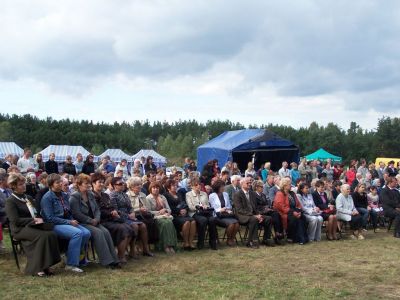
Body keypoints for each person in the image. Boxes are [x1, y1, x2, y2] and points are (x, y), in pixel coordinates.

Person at [5, 173, 61, 276]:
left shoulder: (28, 197)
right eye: (20, 184)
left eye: (24, 183)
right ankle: (37, 268)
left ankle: (46, 265)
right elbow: (15, 220)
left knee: (51, 234)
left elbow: (36, 212)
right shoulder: (10, 201)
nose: (24, 186)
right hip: (19, 229)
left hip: (33, 226)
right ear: (13, 186)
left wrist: (40, 218)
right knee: (43, 236)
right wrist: (33, 220)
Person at [41, 174, 91, 273]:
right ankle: (71, 264)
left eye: (60, 181)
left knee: (87, 233)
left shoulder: (64, 195)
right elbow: (50, 218)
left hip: (66, 222)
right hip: (54, 224)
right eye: (57, 182)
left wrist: (72, 220)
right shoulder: (47, 198)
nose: (60, 183)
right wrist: (69, 222)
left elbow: (68, 212)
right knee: (77, 233)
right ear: (51, 185)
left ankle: (71, 256)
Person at [69, 174, 120, 268]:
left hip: (94, 221)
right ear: (79, 184)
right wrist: (90, 220)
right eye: (86, 183)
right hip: (82, 223)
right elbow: (76, 214)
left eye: (89, 183)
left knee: (106, 232)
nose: (88, 185)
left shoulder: (90, 194)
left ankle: (115, 259)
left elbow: (97, 209)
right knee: (99, 233)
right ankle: (107, 262)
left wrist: (96, 219)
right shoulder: (74, 197)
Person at [91, 173, 136, 263]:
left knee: (131, 228)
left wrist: (115, 212)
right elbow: (97, 210)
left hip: (112, 219)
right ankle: (120, 256)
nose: (101, 184)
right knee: (124, 229)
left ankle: (120, 254)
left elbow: (111, 207)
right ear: (93, 183)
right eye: (99, 182)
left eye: (103, 182)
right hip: (101, 221)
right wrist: (111, 213)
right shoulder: (91, 196)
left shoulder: (105, 195)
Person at [110, 177, 153, 258]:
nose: (122, 185)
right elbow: (115, 209)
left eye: (123, 183)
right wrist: (128, 215)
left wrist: (132, 213)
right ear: (114, 186)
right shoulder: (112, 195)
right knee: (135, 226)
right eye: (120, 184)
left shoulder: (124, 194)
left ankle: (145, 249)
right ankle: (132, 250)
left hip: (128, 216)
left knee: (143, 226)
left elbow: (130, 207)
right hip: (119, 217)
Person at [234, 177, 275, 248]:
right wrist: (254, 216)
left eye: (250, 182)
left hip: (253, 215)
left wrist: (259, 215)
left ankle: (266, 239)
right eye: (247, 183)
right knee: (254, 219)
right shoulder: (238, 194)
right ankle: (252, 241)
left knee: (269, 218)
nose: (249, 184)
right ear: (242, 184)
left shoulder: (252, 193)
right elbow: (239, 210)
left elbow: (255, 207)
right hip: (243, 215)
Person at [144, 182, 177, 254]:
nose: (156, 189)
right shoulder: (148, 198)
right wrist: (159, 212)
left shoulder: (163, 197)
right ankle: (165, 246)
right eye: (154, 188)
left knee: (169, 222)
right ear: (150, 189)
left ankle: (171, 245)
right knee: (166, 223)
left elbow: (169, 209)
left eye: (157, 188)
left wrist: (165, 210)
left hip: (165, 216)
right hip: (155, 218)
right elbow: (148, 212)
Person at [186, 177, 218, 250]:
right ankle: (200, 243)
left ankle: (213, 242)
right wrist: (199, 207)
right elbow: (190, 207)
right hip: (195, 213)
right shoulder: (188, 194)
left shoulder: (204, 194)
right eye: (196, 185)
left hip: (205, 212)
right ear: (192, 186)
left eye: (199, 184)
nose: (198, 186)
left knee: (212, 220)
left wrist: (206, 206)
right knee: (203, 220)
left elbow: (208, 204)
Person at [164, 179, 197, 250]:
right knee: (187, 222)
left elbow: (185, 203)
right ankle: (185, 243)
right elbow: (169, 207)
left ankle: (190, 242)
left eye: (176, 185)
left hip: (184, 214)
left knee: (193, 221)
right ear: (168, 187)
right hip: (174, 215)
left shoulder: (179, 194)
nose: (175, 187)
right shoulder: (166, 195)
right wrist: (179, 211)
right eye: (173, 186)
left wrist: (185, 209)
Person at [274, 178, 308, 244]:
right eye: (289, 184)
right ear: (285, 185)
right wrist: (293, 212)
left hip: (294, 211)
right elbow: (281, 206)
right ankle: (293, 237)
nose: (291, 186)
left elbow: (298, 204)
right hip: (284, 213)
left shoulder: (292, 193)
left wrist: (299, 211)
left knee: (303, 217)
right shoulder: (280, 193)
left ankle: (302, 238)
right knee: (295, 219)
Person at [126, 176, 158, 245]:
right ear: (131, 186)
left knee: (152, 221)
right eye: (137, 185)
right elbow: (129, 209)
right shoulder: (127, 195)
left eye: (140, 184)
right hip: (134, 216)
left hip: (144, 215)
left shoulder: (143, 194)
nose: (140, 186)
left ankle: (147, 245)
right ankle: (139, 245)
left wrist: (145, 209)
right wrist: (139, 210)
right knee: (144, 224)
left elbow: (147, 207)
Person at [209, 179, 239, 247]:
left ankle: (232, 239)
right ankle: (228, 240)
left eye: (223, 186)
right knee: (231, 224)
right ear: (217, 187)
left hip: (226, 214)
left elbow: (228, 205)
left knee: (236, 224)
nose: (223, 188)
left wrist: (227, 209)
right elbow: (212, 207)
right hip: (217, 215)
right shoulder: (212, 195)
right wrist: (220, 209)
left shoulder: (226, 194)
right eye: (221, 186)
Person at [252, 180, 284, 244]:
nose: (263, 188)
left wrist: (269, 208)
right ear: (256, 187)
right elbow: (254, 207)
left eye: (262, 187)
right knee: (275, 214)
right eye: (261, 187)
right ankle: (278, 234)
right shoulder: (253, 195)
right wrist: (265, 209)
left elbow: (266, 204)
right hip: (259, 212)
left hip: (266, 211)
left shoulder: (263, 195)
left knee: (277, 214)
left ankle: (278, 233)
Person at [0, 173, 12, 250]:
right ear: (1, 181)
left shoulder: (10, 191)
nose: (10, 182)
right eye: (8, 180)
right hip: (3, 217)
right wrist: (11, 210)